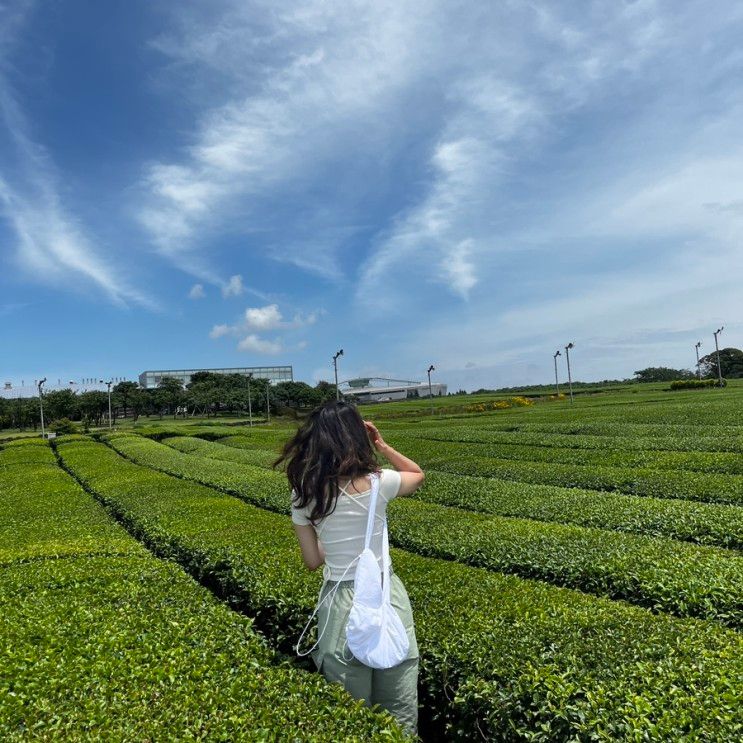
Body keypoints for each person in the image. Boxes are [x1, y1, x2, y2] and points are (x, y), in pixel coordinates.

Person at [275, 401, 425, 736]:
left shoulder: (305, 495)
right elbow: (417, 475)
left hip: (339, 607)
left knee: (351, 718)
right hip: (387, 599)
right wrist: (382, 445)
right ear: (358, 436)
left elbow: (313, 561)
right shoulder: (380, 482)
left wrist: (333, 540)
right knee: (397, 714)